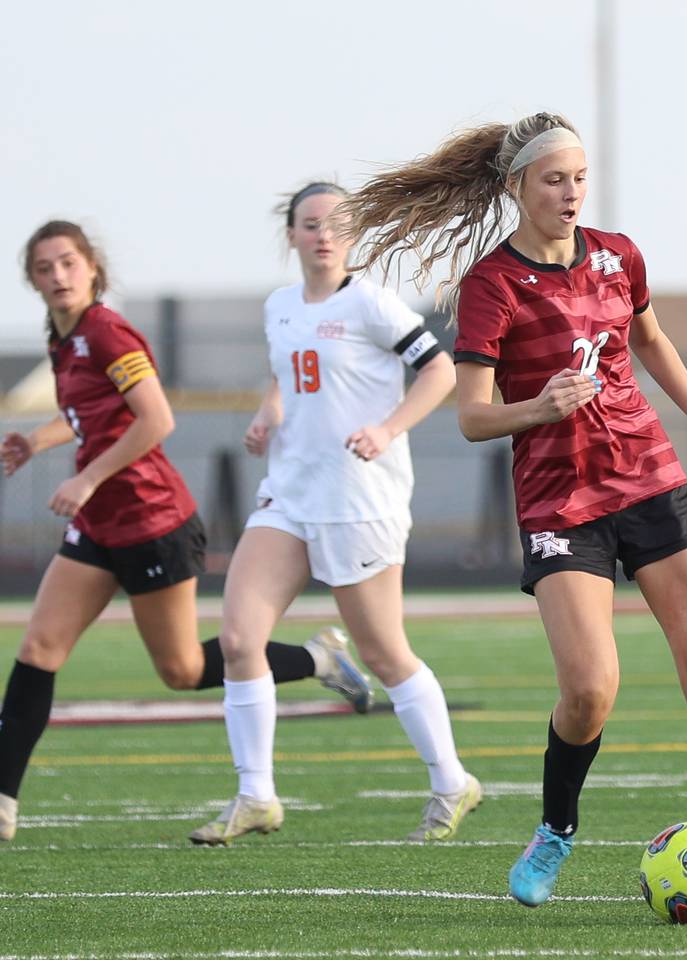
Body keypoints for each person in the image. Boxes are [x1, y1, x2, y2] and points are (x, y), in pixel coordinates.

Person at [344, 112, 687, 919]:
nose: (570, 192)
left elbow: (651, 341)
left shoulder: (618, 254)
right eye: (554, 179)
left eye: (580, 177)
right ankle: (556, 830)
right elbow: (472, 417)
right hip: (560, 502)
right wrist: (540, 405)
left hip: (650, 480)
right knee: (591, 689)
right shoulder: (490, 286)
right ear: (516, 187)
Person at [0, 221, 370, 844]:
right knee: (38, 651)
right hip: (99, 528)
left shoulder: (107, 331)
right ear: (32, 279)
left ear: (91, 268)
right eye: (44, 267)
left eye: (67, 263)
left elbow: (155, 419)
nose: (57, 275)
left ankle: (320, 657)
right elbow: (87, 415)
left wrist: (85, 480)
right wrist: (36, 440)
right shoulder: (63, 338)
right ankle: (0, 803)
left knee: (183, 670)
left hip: (152, 523)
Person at [189, 183, 479, 846]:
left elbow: (437, 372)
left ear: (352, 237)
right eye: (310, 225)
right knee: (238, 640)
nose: (323, 236)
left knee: (383, 652)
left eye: (335, 226)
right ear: (290, 234)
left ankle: (451, 780)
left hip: (359, 500)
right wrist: (270, 413)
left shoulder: (371, 302)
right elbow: (287, 372)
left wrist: (387, 427)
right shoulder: (280, 306)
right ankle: (256, 796)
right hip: (290, 493)